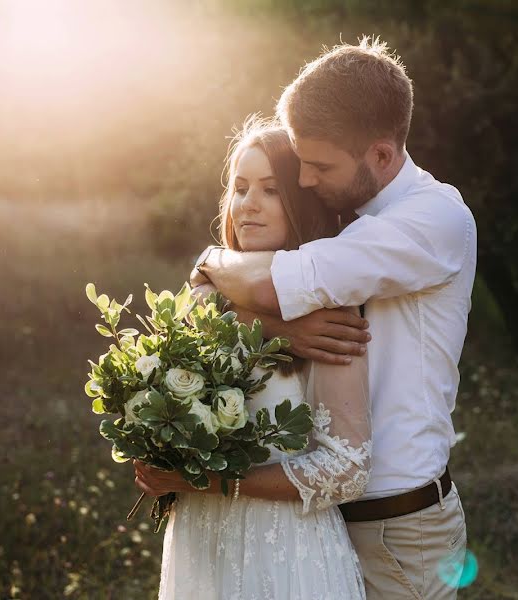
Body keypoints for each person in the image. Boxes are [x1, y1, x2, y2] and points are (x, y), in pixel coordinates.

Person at [189, 37, 477, 599]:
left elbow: (287, 279)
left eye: (318, 166)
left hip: (398, 526)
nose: (305, 181)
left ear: (381, 156)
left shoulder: (431, 220)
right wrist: (268, 323)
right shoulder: (347, 215)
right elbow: (217, 296)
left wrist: (211, 264)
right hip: (322, 524)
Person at [133, 119, 371, 600]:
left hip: (282, 551)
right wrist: (157, 450)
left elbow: (347, 469)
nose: (249, 204)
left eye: (270, 190)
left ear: (301, 203)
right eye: (240, 189)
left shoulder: (328, 311)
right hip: (201, 540)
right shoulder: (203, 294)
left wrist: (216, 482)